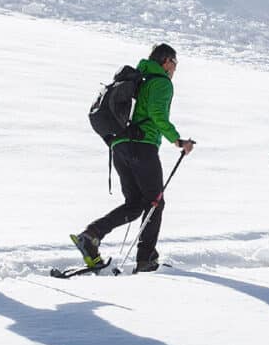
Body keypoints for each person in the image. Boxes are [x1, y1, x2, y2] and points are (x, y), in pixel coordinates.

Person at [73, 43, 194, 273]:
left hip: (120, 146)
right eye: (175, 63)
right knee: (155, 203)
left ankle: (91, 236)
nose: (175, 69)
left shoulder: (140, 81)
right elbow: (157, 114)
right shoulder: (161, 82)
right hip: (142, 147)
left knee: (136, 204)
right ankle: (146, 260)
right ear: (167, 61)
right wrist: (177, 140)